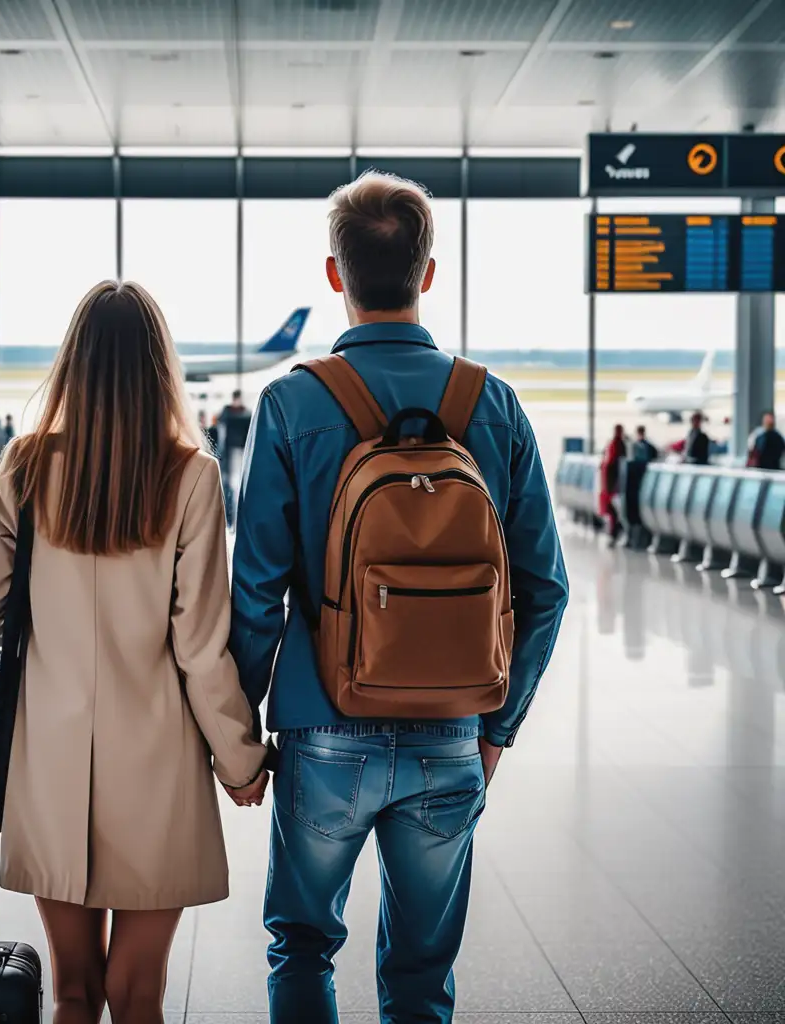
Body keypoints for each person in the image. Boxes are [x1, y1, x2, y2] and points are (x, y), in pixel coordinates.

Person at [229, 171, 568, 1023]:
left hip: (322, 727)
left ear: (336, 276)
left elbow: (257, 590)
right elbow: (546, 590)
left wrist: (237, 736)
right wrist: (497, 729)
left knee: (302, 944)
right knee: (421, 972)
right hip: (453, 730)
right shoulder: (492, 405)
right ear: (428, 273)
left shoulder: (292, 402)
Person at [0, 281, 268, 1024]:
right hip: (156, 770)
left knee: (73, 995)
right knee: (139, 997)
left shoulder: (25, 466)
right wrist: (241, 762)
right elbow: (200, 647)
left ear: (74, 362)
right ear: (159, 368)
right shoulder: (190, 475)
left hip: (50, 763)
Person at [216, 390, 252, 527]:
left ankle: (233, 521)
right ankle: (230, 520)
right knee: (229, 487)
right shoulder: (229, 413)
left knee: (235, 487)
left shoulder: (240, 414)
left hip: (238, 452)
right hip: (231, 453)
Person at [600, 424, 628, 546]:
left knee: (612, 511)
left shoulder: (613, 444)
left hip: (611, 484)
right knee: (614, 510)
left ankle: (614, 533)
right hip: (613, 485)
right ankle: (614, 532)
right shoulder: (619, 444)